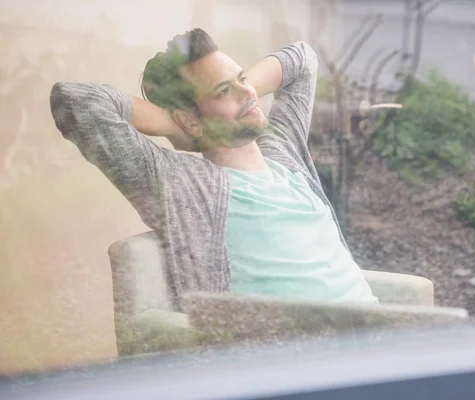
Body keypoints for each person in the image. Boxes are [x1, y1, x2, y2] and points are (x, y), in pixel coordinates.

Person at [50, 28, 378, 310]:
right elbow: (76, 102)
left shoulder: (283, 153)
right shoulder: (183, 184)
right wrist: (173, 122)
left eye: (243, 79)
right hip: (303, 359)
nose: (247, 93)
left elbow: (302, 59)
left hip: (380, 347)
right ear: (190, 119)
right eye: (224, 91)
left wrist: (236, 90)